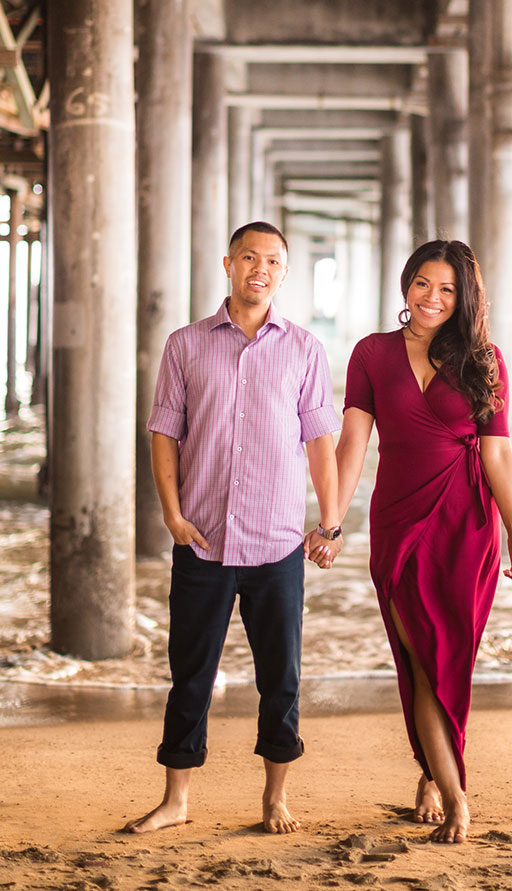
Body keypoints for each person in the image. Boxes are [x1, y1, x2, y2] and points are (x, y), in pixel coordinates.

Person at [126, 221, 345, 836]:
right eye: (250, 257)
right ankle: (176, 799)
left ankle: (275, 798)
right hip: (203, 540)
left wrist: (329, 524)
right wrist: (171, 514)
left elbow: (320, 444)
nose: (261, 269)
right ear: (228, 264)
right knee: (190, 674)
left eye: (273, 261)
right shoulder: (185, 344)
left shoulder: (304, 349)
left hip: (277, 543)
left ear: (284, 271)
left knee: (282, 676)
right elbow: (164, 433)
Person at [330, 240, 512, 844]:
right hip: (398, 523)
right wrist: (332, 520)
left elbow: (497, 452)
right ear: (406, 283)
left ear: (463, 297)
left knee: (453, 662)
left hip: (467, 524)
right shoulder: (371, 353)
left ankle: (431, 770)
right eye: (422, 283)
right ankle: (455, 797)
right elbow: (352, 444)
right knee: (422, 661)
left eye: (446, 289)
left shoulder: (485, 359)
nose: (432, 298)